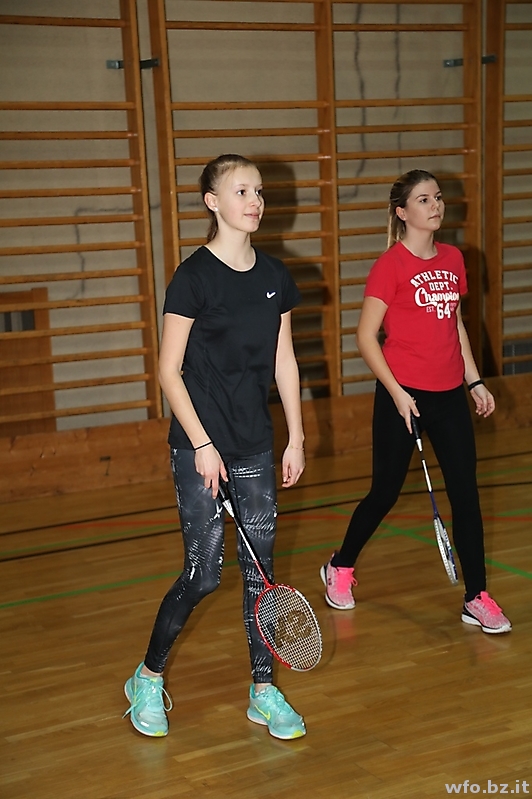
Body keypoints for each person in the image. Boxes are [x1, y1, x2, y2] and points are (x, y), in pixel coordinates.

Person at [123, 154, 307, 740]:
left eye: (259, 191)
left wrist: (296, 436)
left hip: (255, 444)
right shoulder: (193, 276)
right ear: (213, 202)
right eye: (241, 191)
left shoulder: (275, 275)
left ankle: (264, 691)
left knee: (261, 577)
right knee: (203, 574)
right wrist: (202, 443)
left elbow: (284, 360)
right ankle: (147, 676)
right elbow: (167, 370)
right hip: (199, 445)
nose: (255, 201)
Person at [320, 168, 511, 635]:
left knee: (465, 494)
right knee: (385, 491)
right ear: (402, 212)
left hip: (449, 396)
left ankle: (476, 596)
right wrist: (397, 393)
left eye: (438, 197)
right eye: (424, 199)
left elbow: (454, 323)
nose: (436, 205)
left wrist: (474, 381)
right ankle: (340, 566)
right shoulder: (391, 265)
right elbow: (366, 337)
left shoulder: (453, 259)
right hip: (401, 395)